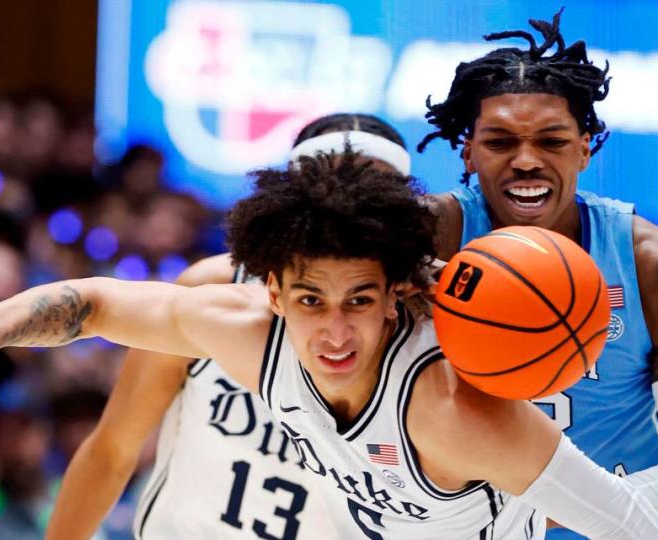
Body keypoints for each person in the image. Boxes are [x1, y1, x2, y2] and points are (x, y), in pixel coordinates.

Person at [0, 147, 658, 539]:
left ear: (396, 290)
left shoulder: (451, 410)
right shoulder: (249, 333)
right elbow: (96, 303)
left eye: (359, 301)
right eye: (310, 301)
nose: (334, 331)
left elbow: (635, 528)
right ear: (272, 292)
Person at [416, 9, 658, 538]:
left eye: (551, 141)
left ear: (585, 148)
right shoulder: (424, 242)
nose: (526, 161)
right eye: (499, 142)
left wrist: (538, 514)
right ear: (467, 151)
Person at [47, 114, 409, 540]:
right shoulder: (215, 288)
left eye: (370, 193)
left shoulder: (417, 333)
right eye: (331, 188)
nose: (347, 209)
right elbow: (112, 450)